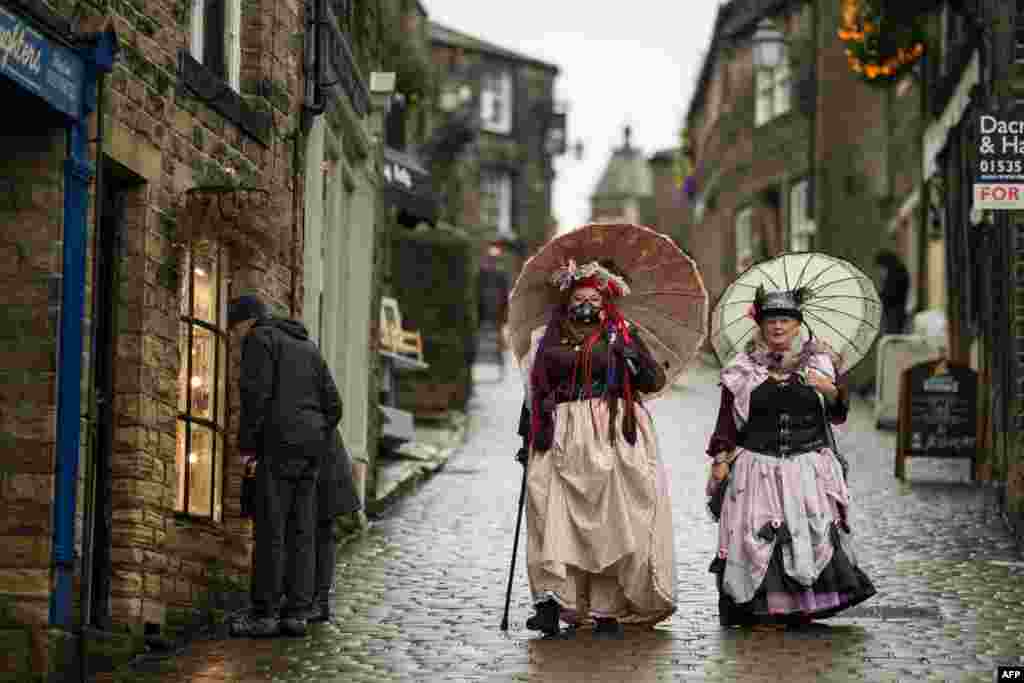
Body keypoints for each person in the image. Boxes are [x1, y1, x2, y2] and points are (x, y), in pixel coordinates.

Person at [517, 259, 677, 637]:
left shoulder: (621, 334)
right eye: (578, 297)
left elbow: (653, 381)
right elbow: (533, 391)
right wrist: (526, 437)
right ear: (567, 300)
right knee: (552, 515)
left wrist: (632, 356)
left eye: (592, 297)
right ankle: (555, 601)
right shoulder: (546, 338)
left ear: (605, 301)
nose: (585, 304)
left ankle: (607, 609)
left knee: (611, 521)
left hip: (611, 433)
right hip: (559, 435)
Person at [705, 286, 877, 627]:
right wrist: (721, 460)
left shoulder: (820, 363)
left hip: (807, 467)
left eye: (785, 320)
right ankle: (764, 606)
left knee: (808, 533)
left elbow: (839, 413)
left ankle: (804, 605)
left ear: (798, 325)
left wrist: (829, 389)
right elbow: (727, 421)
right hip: (757, 468)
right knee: (758, 535)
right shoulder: (743, 369)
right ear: (760, 325)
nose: (778, 327)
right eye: (771, 320)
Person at [227, 294, 342, 638]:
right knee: (302, 531)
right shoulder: (307, 346)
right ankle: (296, 614)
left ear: (245, 322)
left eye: (234, 330)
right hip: (310, 451)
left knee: (270, 531)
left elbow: (255, 397)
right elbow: (333, 405)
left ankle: (264, 615)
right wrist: (315, 434)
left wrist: (248, 448)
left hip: (276, 448)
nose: (234, 338)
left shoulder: (259, 340)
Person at [875, 250, 910, 335]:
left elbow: (889, 294)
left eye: (881, 268)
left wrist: (879, 296)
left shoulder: (895, 274)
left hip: (893, 312)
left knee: (891, 336)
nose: (880, 272)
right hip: (897, 311)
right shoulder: (900, 270)